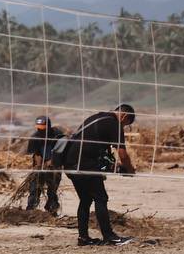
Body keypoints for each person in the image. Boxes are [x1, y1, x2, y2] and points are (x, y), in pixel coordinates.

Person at [57, 104, 136, 246]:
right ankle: (109, 236)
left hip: (70, 163)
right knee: (101, 198)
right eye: (126, 125)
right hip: (85, 165)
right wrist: (129, 169)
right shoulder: (114, 124)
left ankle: (83, 238)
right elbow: (122, 154)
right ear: (124, 116)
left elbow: (94, 147)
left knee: (86, 200)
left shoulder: (97, 117)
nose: (123, 128)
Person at [25, 115, 63, 213]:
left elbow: (61, 150)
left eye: (43, 128)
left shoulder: (57, 135)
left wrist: (52, 161)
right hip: (40, 164)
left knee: (52, 190)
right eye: (39, 128)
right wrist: (39, 166)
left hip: (55, 165)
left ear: (48, 126)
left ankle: (51, 209)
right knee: (35, 188)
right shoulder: (34, 137)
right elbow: (36, 153)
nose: (41, 131)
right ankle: (30, 209)